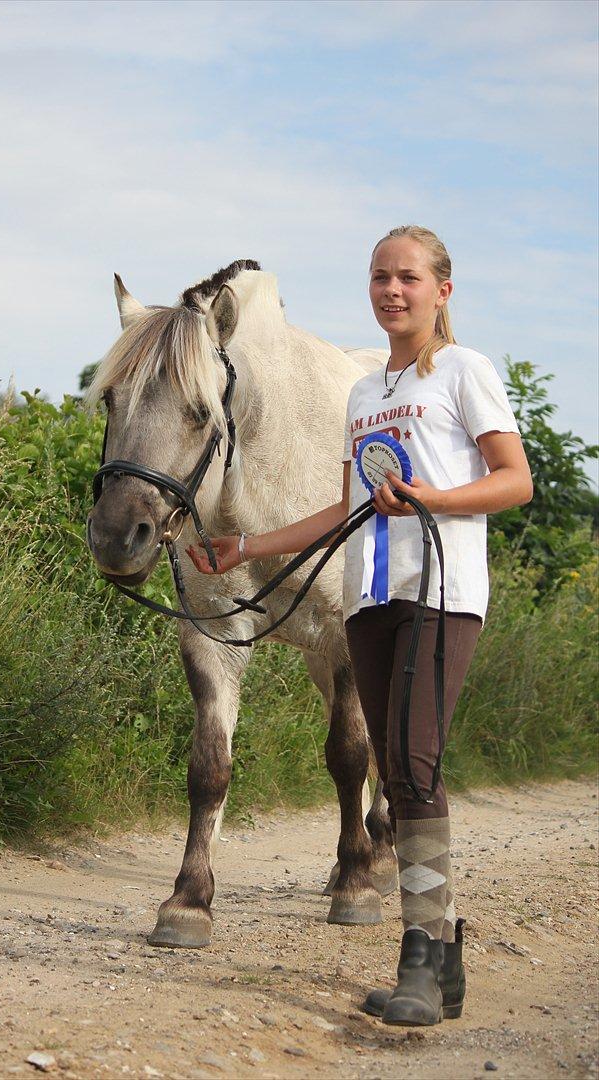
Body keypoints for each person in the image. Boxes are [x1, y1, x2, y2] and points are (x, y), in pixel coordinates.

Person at [185, 225, 533, 1026]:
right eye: (379, 276)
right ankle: (441, 964)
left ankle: (418, 956)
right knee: (395, 762)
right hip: (367, 599)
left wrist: (430, 499)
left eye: (408, 278)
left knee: (410, 768)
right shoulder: (365, 393)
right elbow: (343, 509)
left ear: (441, 289)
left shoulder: (464, 373)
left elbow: (513, 481)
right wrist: (246, 546)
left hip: (441, 591)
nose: (390, 291)